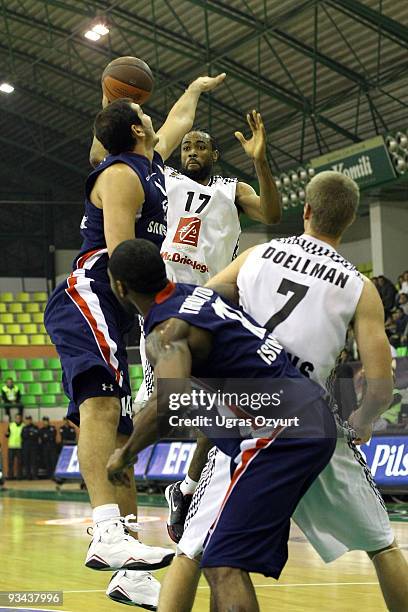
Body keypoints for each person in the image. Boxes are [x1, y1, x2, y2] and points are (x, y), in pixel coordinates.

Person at [159, 170, 407, 612]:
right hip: (314, 419)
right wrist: (363, 422)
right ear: (347, 221)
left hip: (252, 411)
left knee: (192, 551)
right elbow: (382, 382)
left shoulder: (258, 255)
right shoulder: (359, 286)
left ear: (306, 211)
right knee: (383, 545)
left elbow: (200, 306)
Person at [45, 73, 226, 609]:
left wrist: (195, 87)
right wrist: (167, 305)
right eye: (146, 117)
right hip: (93, 290)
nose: (156, 119)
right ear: (135, 130)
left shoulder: (148, 163)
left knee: (120, 430)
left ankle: (126, 571)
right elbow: (124, 255)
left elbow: (177, 121)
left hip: (116, 306)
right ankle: (105, 530)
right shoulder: (123, 173)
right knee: (99, 405)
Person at [105, 238, 336, 611]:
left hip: (281, 432)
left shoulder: (167, 330)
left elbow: (171, 400)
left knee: (222, 563)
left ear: (119, 287)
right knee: (218, 556)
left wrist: (124, 453)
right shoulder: (197, 295)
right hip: (306, 414)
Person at [5, 413, 24, 479]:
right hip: (11, 446)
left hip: (20, 447)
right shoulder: (11, 425)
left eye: (19, 418)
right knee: (10, 462)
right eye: (17, 418)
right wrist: (6, 434)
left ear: (21, 418)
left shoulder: (23, 426)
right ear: (15, 418)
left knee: (20, 462)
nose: (18, 419)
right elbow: (7, 435)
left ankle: (19, 476)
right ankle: (10, 476)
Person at [22, 415, 39, 480]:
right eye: (27, 419)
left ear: (31, 420)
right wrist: (30, 434)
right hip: (26, 447)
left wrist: (29, 435)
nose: (28, 421)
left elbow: (36, 436)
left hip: (33, 447)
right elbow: (23, 436)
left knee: (34, 462)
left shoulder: (35, 427)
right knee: (27, 462)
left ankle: (35, 476)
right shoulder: (24, 428)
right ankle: (28, 476)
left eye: (29, 419)